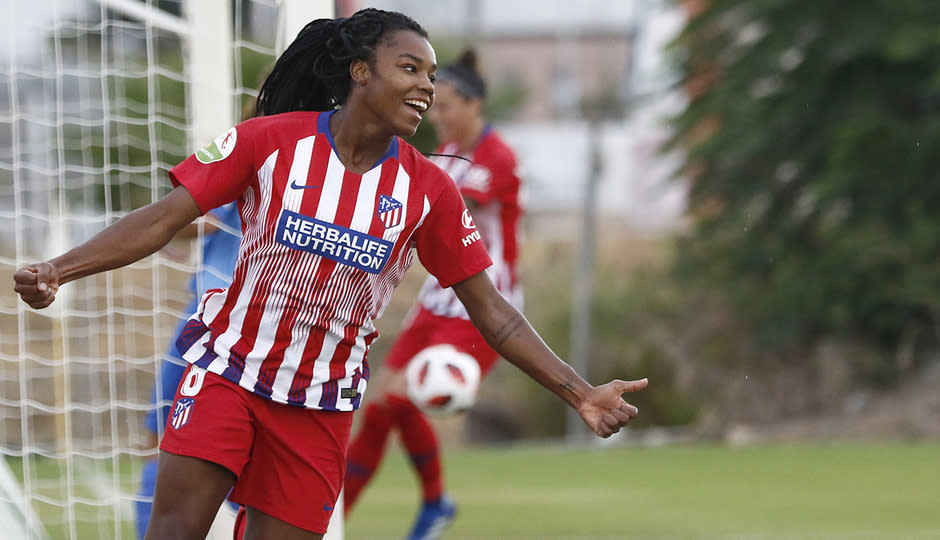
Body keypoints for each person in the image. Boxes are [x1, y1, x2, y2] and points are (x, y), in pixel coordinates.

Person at [12, 8, 647, 540]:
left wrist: (579, 392)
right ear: (360, 72)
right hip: (227, 375)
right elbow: (161, 219)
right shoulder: (268, 142)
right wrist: (58, 269)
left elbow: (494, 311)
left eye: (430, 75)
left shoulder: (429, 190)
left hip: (319, 404)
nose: (426, 87)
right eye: (410, 68)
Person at [342, 48, 524, 540]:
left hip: (481, 304)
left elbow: (445, 205)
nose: (436, 114)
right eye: (434, 106)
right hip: (436, 298)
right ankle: (335, 522)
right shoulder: (444, 155)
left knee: (399, 399)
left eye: (445, 106)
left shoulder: (496, 158)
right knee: (379, 409)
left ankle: (436, 499)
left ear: (473, 106)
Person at [134, 202, 241, 539]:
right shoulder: (246, 158)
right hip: (205, 313)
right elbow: (198, 221)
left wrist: (170, 227)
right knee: (158, 437)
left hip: (256, 325)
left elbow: (197, 223)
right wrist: (170, 225)